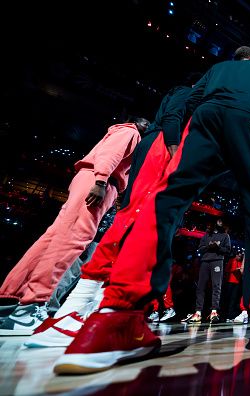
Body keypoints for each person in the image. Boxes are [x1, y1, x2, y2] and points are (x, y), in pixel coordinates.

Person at [53, 46, 250, 374]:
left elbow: (192, 100)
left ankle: (115, 319)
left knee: (165, 201)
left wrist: (185, 137)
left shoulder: (218, 68)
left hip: (205, 118)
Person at [26, 84, 192, 347]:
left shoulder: (144, 134)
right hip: (137, 165)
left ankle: (72, 311)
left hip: (124, 177)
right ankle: (73, 311)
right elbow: (171, 117)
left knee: (107, 232)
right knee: (119, 232)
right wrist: (174, 152)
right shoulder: (147, 126)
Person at [0, 118, 146, 336]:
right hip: (99, 183)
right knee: (73, 240)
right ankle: (31, 306)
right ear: (134, 122)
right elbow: (110, 156)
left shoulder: (121, 132)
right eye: (145, 123)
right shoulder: (131, 132)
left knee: (52, 239)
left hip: (90, 179)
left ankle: (11, 300)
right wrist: (101, 181)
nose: (149, 126)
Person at [187, 219, 231, 324]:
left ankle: (214, 312)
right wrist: (208, 247)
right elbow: (200, 249)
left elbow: (228, 250)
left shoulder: (225, 236)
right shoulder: (206, 235)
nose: (218, 223)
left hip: (217, 261)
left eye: (221, 221)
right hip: (205, 262)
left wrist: (218, 247)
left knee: (216, 286)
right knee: (201, 286)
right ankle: (198, 312)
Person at [222, 252, 244, 322]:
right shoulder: (231, 260)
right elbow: (226, 270)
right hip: (230, 282)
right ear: (236, 255)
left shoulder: (241, 262)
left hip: (237, 283)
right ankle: (224, 315)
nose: (240, 258)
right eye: (239, 256)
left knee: (233, 299)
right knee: (227, 298)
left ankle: (230, 315)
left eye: (241, 257)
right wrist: (234, 270)